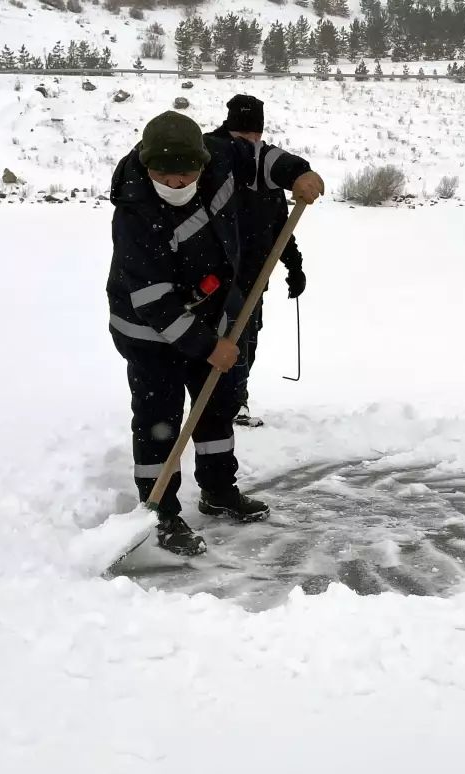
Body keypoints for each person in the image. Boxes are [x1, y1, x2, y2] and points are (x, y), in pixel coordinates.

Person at [106, 110, 324, 556]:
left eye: (186, 171)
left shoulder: (222, 155)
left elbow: (260, 156)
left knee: (216, 409)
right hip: (149, 331)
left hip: (213, 312)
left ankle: (218, 490)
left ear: (203, 161)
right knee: (160, 422)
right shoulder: (134, 211)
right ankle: (160, 513)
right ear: (145, 165)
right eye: (163, 173)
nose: (175, 180)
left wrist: (297, 173)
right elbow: (154, 302)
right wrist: (210, 347)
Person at [210, 95, 307, 429]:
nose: (249, 145)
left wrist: (294, 266)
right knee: (227, 337)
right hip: (216, 275)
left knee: (248, 337)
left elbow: (280, 224)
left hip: (255, 272)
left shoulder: (266, 170)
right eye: (241, 138)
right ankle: (224, 401)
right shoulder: (213, 163)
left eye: (254, 138)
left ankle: (237, 398)